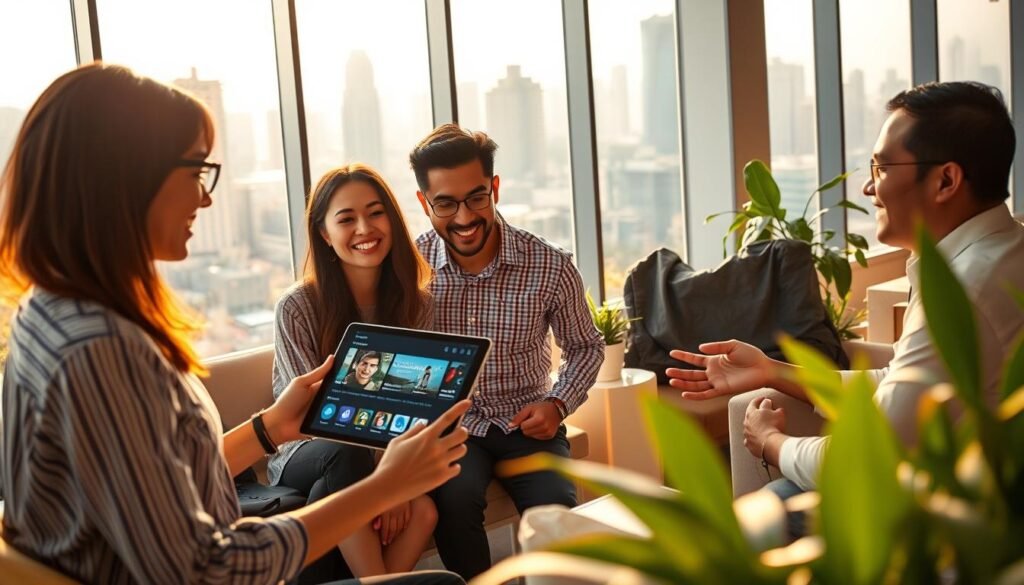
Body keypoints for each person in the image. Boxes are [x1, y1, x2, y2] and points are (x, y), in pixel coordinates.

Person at [0, 63, 467, 585]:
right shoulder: (99, 349)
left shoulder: (53, 314)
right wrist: (383, 487)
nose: (206, 196)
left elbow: (154, 486)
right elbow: (204, 567)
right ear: (126, 178)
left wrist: (269, 429)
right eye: (196, 171)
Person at [669, 81, 1024, 512]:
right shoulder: (1001, 254)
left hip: (956, 521)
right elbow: (900, 386)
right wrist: (772, 371)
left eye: (881, 169)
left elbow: (869, 457)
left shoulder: (964, 293)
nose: (868, 189)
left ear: (945, 180)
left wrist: (773, 444)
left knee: (766, 513)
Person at [409, 124, 605, 578]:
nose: (463, 217)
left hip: (528, 421)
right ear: (425, 203)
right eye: (445, 203)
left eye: (476, 197)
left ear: (494, 188)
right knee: (453, 504)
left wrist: (558, 403)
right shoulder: (411, 268)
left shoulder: (550, 265)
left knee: (554, 515)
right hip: (455, 425)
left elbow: (586, 347)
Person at [272, 164, 439, 581]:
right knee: (343, 459)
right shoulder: (297, 307)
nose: (365, 228)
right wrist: (386, 484)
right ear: (325, 234)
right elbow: (309, 417)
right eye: (346, 219)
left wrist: (395, 479)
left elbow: (419, 406)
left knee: (424, 510)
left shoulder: (417, 304)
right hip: (306, 449)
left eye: (375, 212)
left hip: (383, 449)